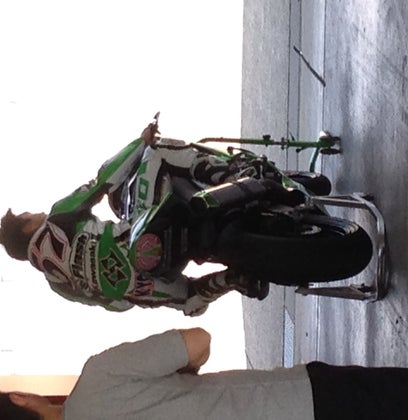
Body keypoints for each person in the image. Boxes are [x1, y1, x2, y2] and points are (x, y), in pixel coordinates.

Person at [0, 115, 268, 316]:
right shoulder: (57, 219)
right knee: (156, 151)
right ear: (26, 228)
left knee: (189, 301)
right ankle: (233, 175)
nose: (34, 212)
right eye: (26, 214)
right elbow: (102, 183)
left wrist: (134, 290)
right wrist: (140, 142)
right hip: (136, 233)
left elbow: (112, 304)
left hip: (137, 282)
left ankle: (233, 279)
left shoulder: (58, 285)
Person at [2, 328, 408, 420]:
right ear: (23, 399)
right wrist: (188, 373)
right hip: (305, 403)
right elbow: (197, 341)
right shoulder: (101, 377)